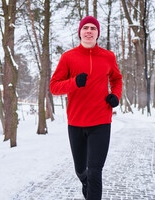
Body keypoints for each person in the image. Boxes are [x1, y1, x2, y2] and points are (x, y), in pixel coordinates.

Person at [50, 16, 123, 199]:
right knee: (81, 170)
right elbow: (54, 86)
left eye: (93, 28)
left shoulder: (108, 57)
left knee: (95, 171)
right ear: (80, 32)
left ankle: (91, 189)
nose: (89, 31)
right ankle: (85, 182)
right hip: (76, 122)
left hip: (101, 121)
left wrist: (115, 95)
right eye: (85, 28)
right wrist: (74, 82)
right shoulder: (68, 57)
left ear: (97, 33)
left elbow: (116, 79)